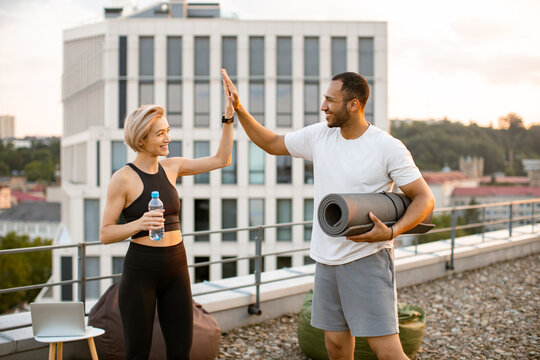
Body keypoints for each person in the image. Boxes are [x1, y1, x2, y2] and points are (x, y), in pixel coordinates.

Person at [222, 70, 434, 360]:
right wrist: (239, 109)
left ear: (353, 104)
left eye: (330, 100)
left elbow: (424, 198)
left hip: (367, 258)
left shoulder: (387, 147)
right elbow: (271, 143)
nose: (323, 106)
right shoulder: (319, 135)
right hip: (326, 258)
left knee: (386, 350)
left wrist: (392, 232)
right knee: (335, 345)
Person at [99, 72, 235, 359]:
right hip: (141, 272)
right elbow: (105, 233)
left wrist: (228, 119)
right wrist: (138, 224)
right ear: (141, 137)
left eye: (167, 130)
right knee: (138, 353)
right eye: (160, 133)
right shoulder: (122, 178)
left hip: (177, 267)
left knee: (180, 350)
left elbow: (222, 159)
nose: (167, 138)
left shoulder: (172, 167)